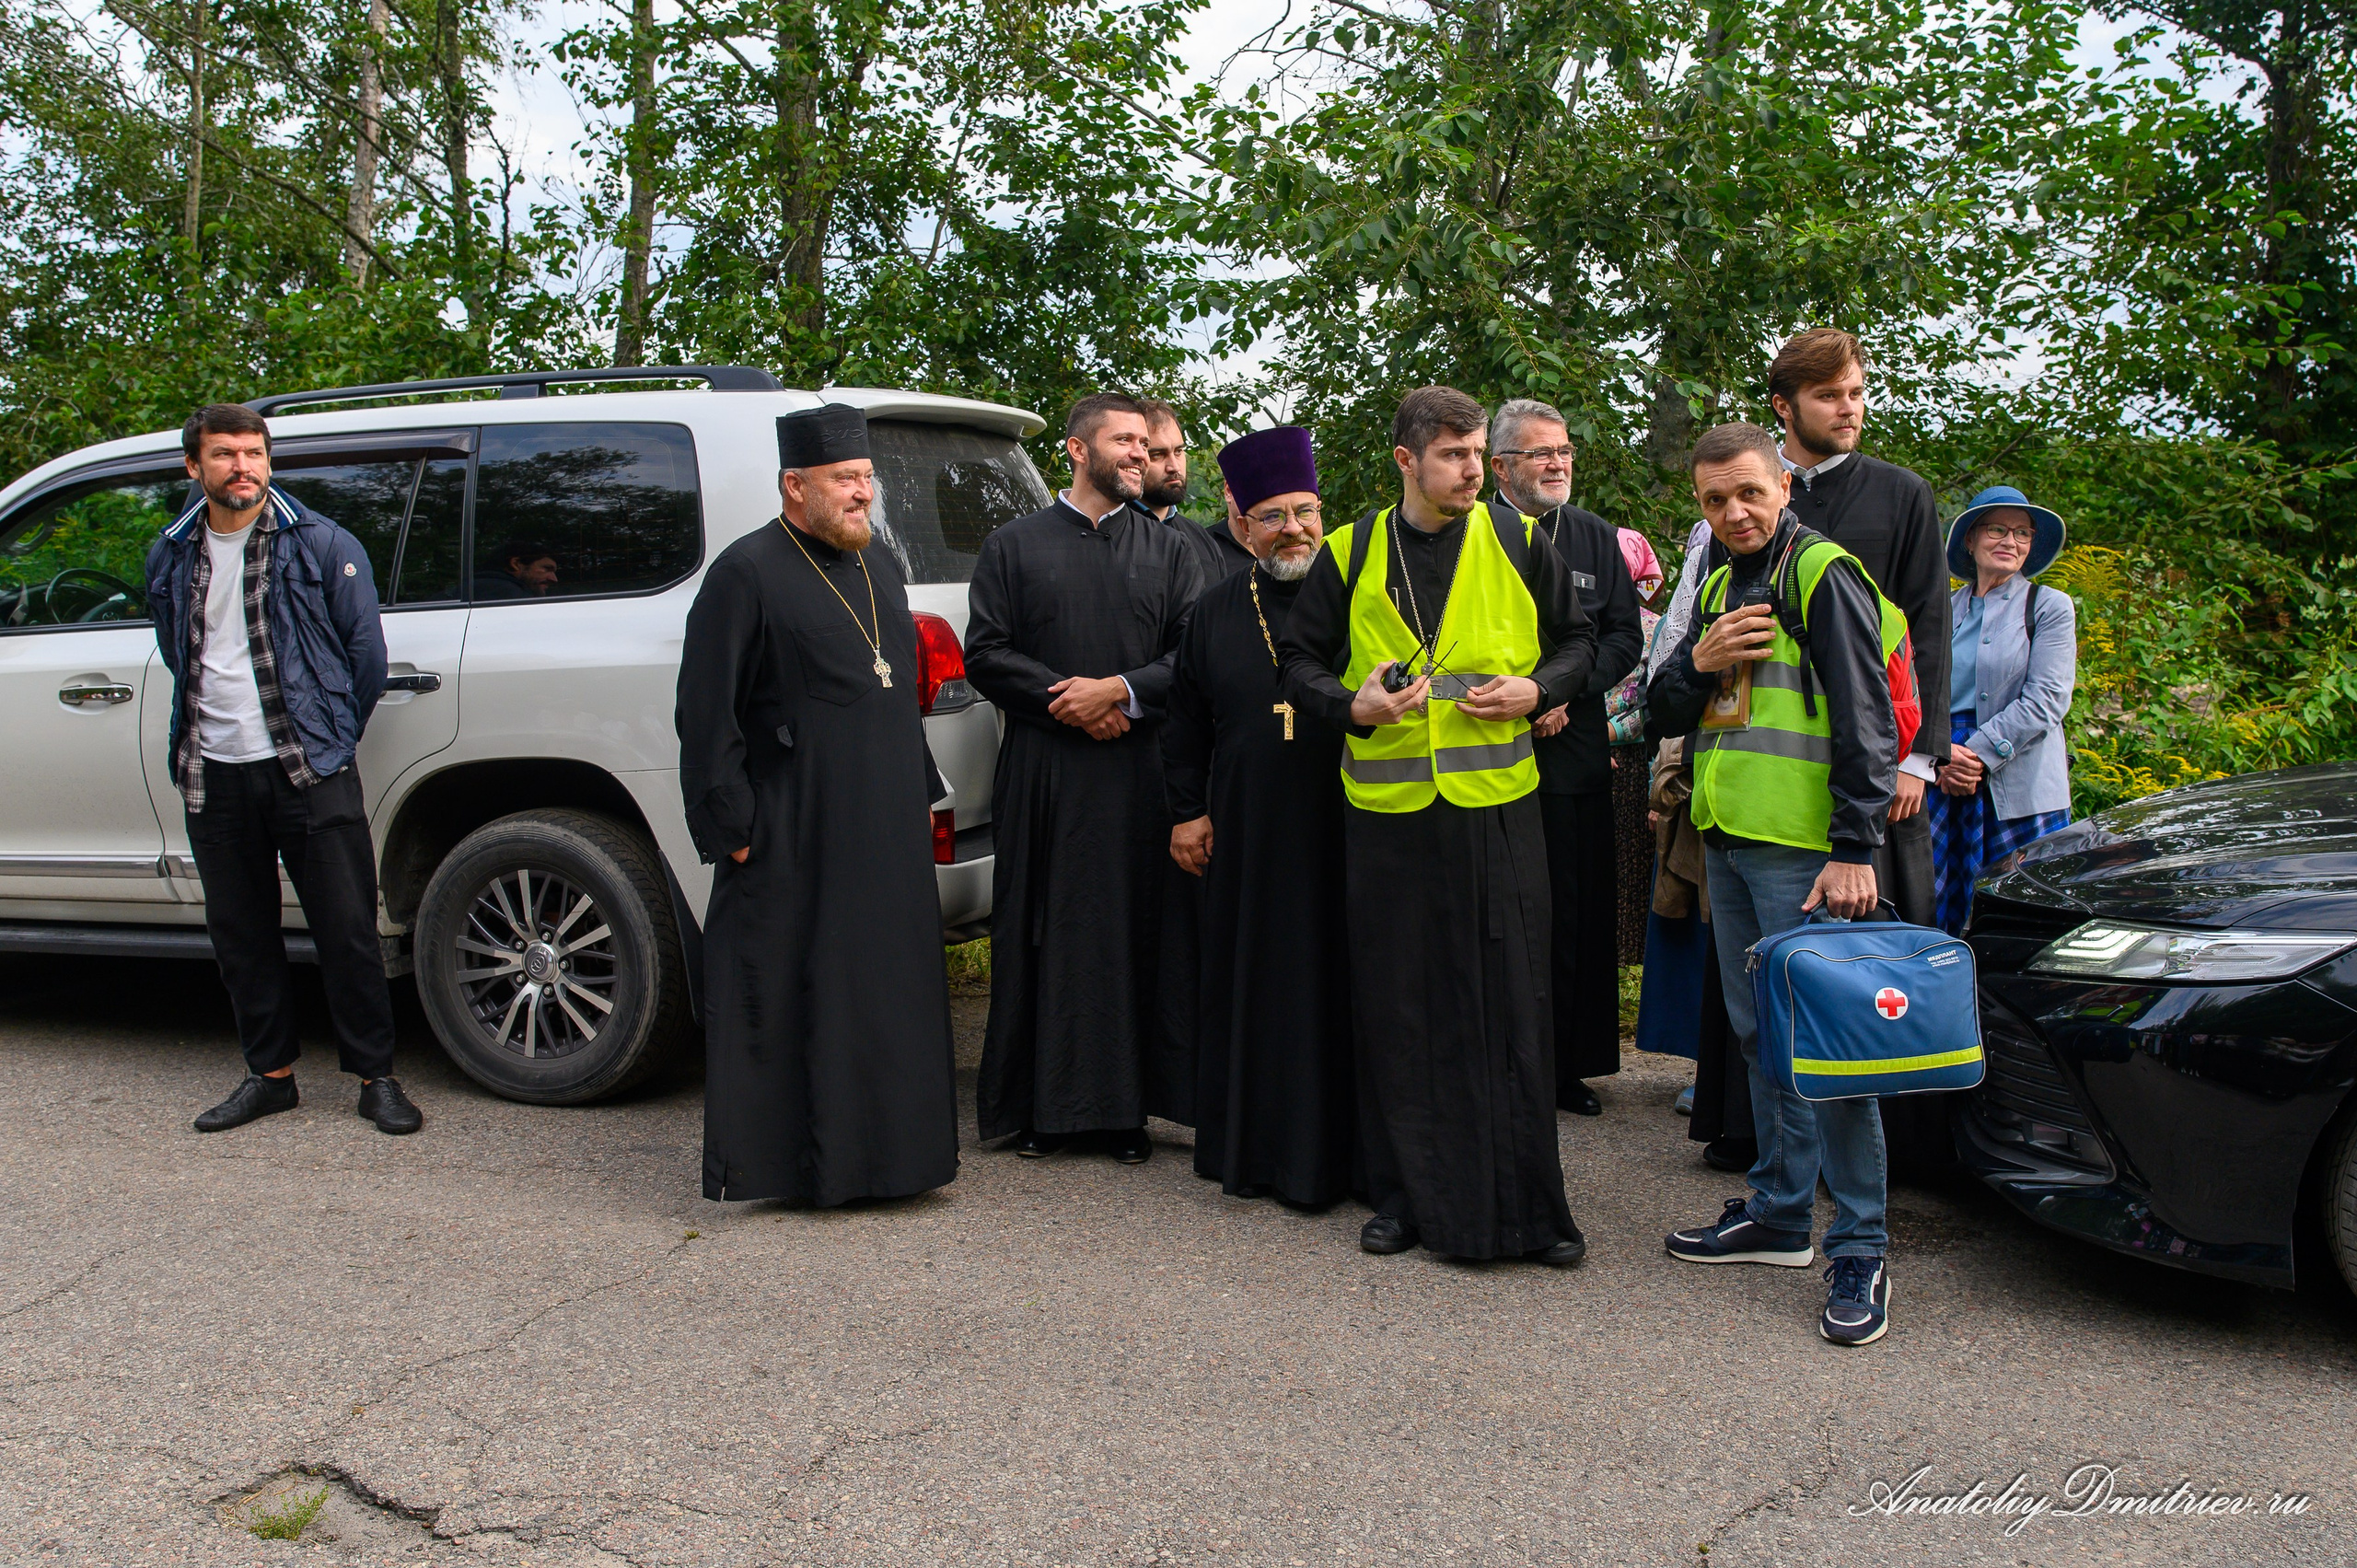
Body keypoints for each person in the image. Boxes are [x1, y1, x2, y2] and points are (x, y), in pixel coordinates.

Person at [1278, 385, 1596, 1264]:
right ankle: (1401, 1197)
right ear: (1406, 461)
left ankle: (1529, 1208)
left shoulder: (1522, 539)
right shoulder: (1348, 550)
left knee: (1509, 1008)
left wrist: (1543, 689)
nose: (1472, 468)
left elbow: (1585, 643)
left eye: (1476, 452)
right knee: (1399, 1011)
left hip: (1497, 814)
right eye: (1454, 454)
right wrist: (1354, 706)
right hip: (1387, 820)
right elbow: (1298, 660)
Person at [1648, 421, 1901, 1346]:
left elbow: (1867, 718)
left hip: (1807, 854)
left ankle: (1861, 1247)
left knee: (1831, 1056)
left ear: (1784, 485)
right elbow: (1663, 707)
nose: (1734, 511)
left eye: (1749, 492)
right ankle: (1782, 1213)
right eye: (1715, 500)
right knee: (1762, 1038)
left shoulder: (1820, 572)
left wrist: (1853, 846)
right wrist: (1698, 660)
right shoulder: (1718, 581)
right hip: (1731, 840)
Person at [675, 405, 958, 1205]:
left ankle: (899, 1162)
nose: (863, 494)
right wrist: (729, 827)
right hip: (795, 824)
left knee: (884, 990)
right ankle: (804, 1167)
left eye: (867, 478)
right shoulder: (746, 571)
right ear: (795, 485)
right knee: (809, 993)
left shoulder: (880, 565)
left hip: (886, 822)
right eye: (846, 480)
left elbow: (892, 689)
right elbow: (705, 711)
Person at [145, 403, 420, 1136]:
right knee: (241, 934)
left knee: (346, 929)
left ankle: (376, 1076)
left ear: (269, 459)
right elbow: (181, 655)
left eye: (254, 453)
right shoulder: (171, 554)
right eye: (225, 454)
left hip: (309, 769)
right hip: (214, 771)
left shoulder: (322, 544)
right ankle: (269, 1077)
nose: (243, 466)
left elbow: (366, 660)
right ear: (193, 467)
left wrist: (327, 739)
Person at [968, 393, 1207, 1163]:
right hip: (1047, 773)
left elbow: (1192, 661)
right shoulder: (1012, 544)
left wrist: (1122, 691)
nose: (1140, 454)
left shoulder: (1172, 552)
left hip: (1140, 777)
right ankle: (1043, 1109)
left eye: (1146, 442)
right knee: (1048, 931)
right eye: (1125, 441)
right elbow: (987, 653)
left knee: (1133, 937)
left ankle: (1127, 1111)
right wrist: (1071, 700)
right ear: (1077, 450)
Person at [1767, 328, 1953, 1174]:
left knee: (1868, 967)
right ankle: (1769, 1153)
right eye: (1830, 396)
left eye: (1856, 392)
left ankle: (1898, 1158)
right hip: (1778, 772)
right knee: (1779, 968)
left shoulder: (1902, 492)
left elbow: (1928, 622)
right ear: (1786, 406)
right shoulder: (1757, 494)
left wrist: (1920, 758)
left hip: (1879, 770)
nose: (1850, 409)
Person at [1164, 426, 1355, 1206]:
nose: (1294, 529)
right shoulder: (1212, 610)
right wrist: (1186, 813)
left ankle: (1345, 1156)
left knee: (1337, 981)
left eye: (1305, 510)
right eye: (1271, 515)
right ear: (1240, 524)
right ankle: (1257, 1148)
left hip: (1342, 819)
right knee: (1256, 981)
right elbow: (1185, 724)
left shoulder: (1353, 596)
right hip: (1245, 827)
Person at [1488, 399, 1643, 1118]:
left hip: (1571, 747)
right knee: (1505, 913)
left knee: (1572, 911)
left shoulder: (1592, 536)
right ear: (1501, 466)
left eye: (1565, 452)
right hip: (1484, 749)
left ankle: (1567, 1065)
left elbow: (1621, 637)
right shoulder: (1468, 532)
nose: (1558, 464)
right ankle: (1499, 1055)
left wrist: (1557, 690)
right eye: (1541, 453)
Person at [1929, 485, 2076, 935]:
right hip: (1942, 775)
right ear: (1970, 539)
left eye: (2023, 533)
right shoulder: (1940, 610)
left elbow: (2048, 698)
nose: (2010, 542)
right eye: (1997, 529)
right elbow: (1913, 693)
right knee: (1939, 903)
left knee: (2022, 915)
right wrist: (1939, 757)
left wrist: (1972, 753)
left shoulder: (2049, 606)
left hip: (2019, 782)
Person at [1137, 398, 1254, 580]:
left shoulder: (1202, 540)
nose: (1174, 467)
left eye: (1178, 452)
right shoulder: (1111, 533)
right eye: (1158, 455)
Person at [474, 540, 560, 598]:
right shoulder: (509, 593)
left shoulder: (475, 588)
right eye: (547, 569)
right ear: (516, 564)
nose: (554, 579)